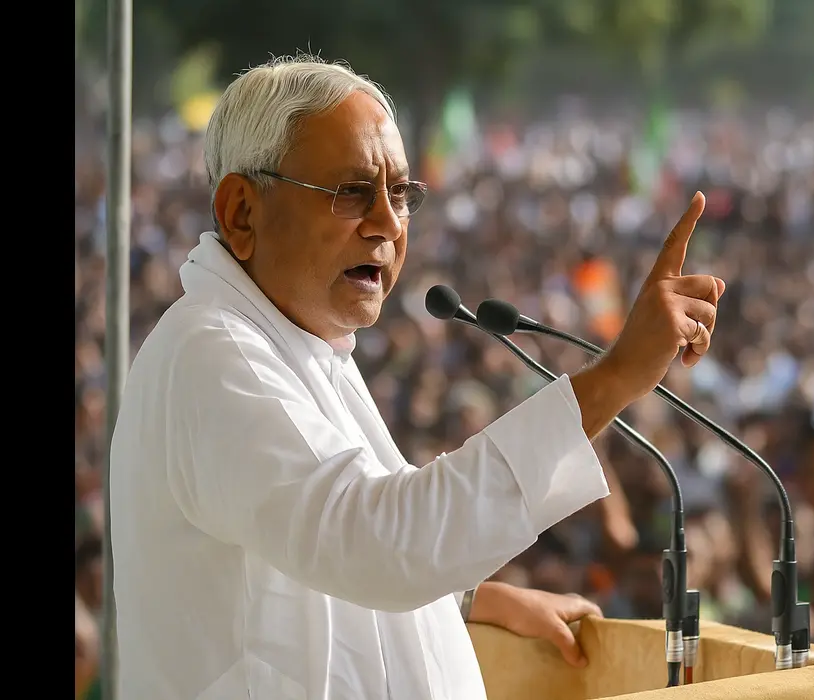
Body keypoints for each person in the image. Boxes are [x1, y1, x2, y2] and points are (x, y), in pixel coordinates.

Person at [108, 54, 725, 700]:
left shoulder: (303, 344)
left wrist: (464, 600)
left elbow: (314, 551)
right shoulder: (212, 355)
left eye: (400, 194)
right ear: (241, 212)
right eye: (351, 192)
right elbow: (374, 543)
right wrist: (617, 376)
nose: (387, 222)